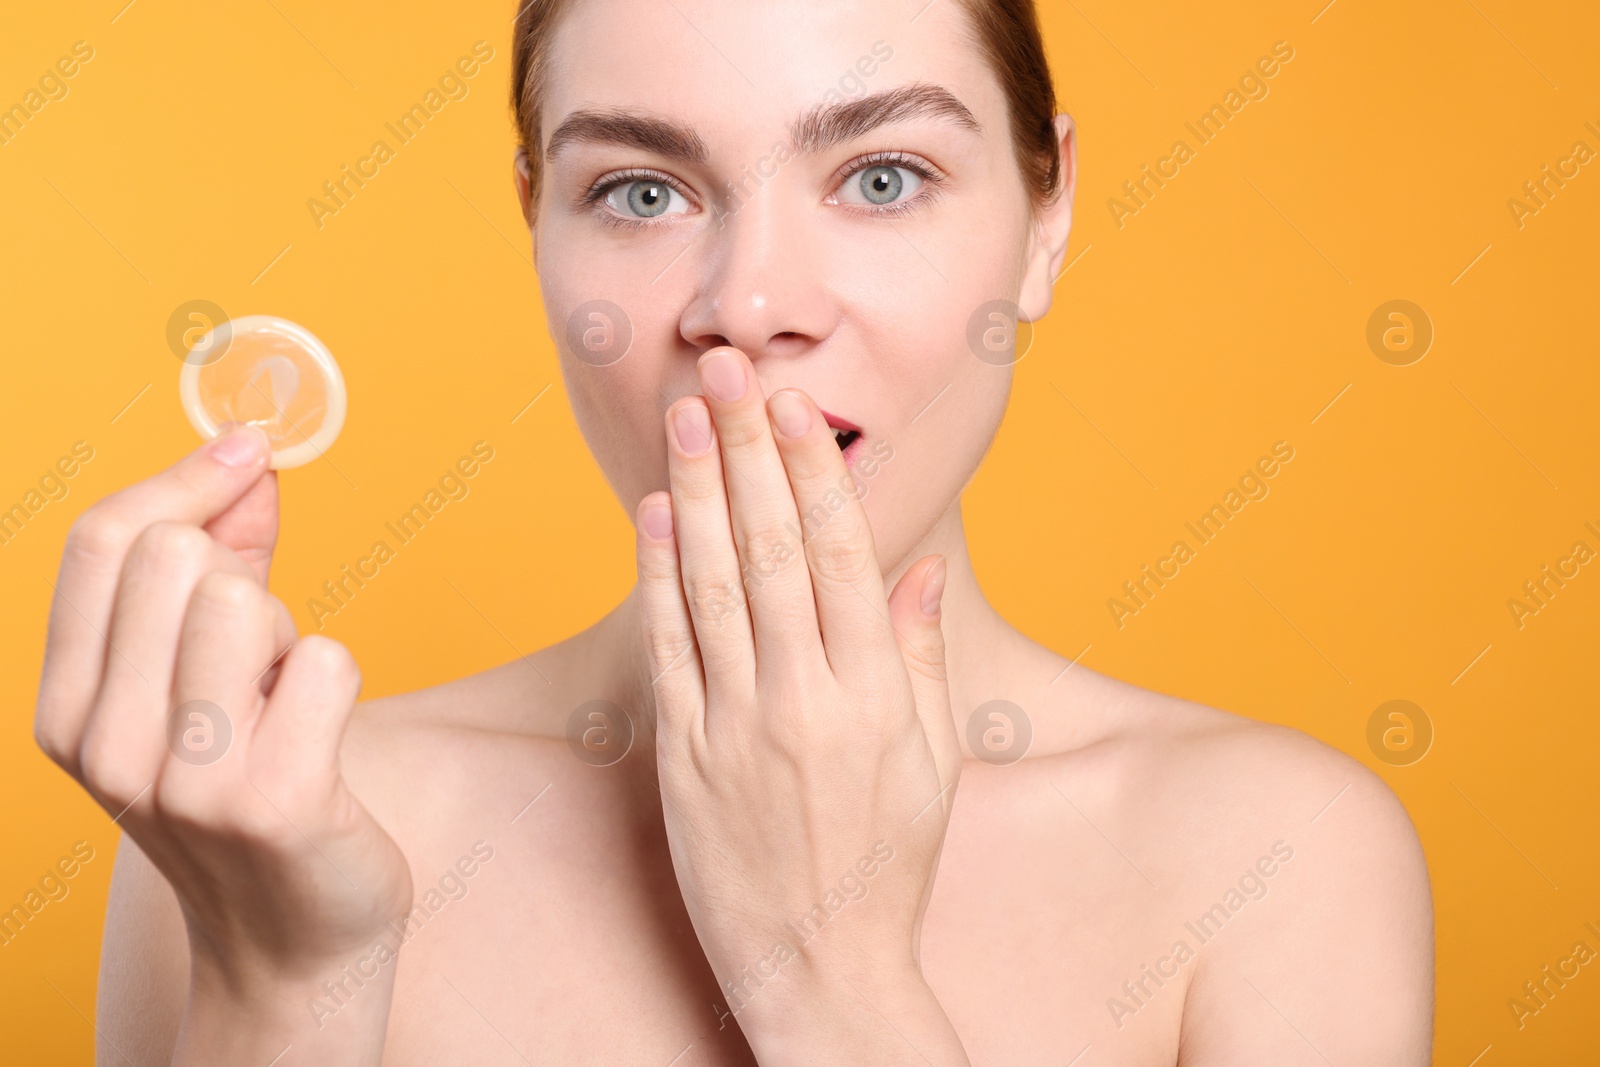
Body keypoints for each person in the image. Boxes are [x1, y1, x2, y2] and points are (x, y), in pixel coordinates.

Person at [34, 0, 1433, 1062]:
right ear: (538, 224)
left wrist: (829, 970)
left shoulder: (1278, 861)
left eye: (883, 177)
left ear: (1047, 214)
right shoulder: (266, 835)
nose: (750, 303)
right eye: (641, 192)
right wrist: (285, 985)